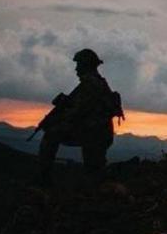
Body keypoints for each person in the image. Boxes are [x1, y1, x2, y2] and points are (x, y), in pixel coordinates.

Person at [38, 49, 122, 184]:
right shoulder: (94, 83)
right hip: (97, 133)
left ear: (86, 65)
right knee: (94, 173)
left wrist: (54, 121)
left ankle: (43, 179)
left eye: (79, 65)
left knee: (51, 136)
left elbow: (77, 113)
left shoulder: (91, 84)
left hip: (94, 134)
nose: (76, 69)